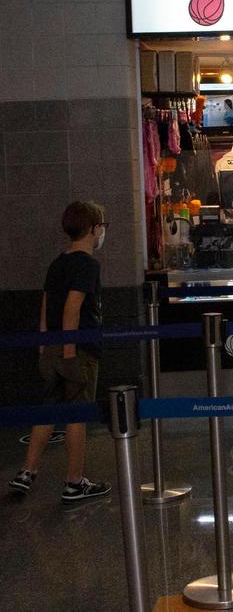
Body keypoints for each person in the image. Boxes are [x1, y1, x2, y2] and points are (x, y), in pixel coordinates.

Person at [9, 201, 111, 502]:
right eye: (102, 226)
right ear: (93, 229)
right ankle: (74, 481)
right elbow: (72, 309)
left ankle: (27, 471)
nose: (103, 231)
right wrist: (69, 354)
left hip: (51, 347)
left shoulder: (58, 262)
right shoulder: (87, 264)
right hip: (76, 349)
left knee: (48, 409)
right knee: (76, 414)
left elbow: (46, 305)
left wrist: (44, 347)